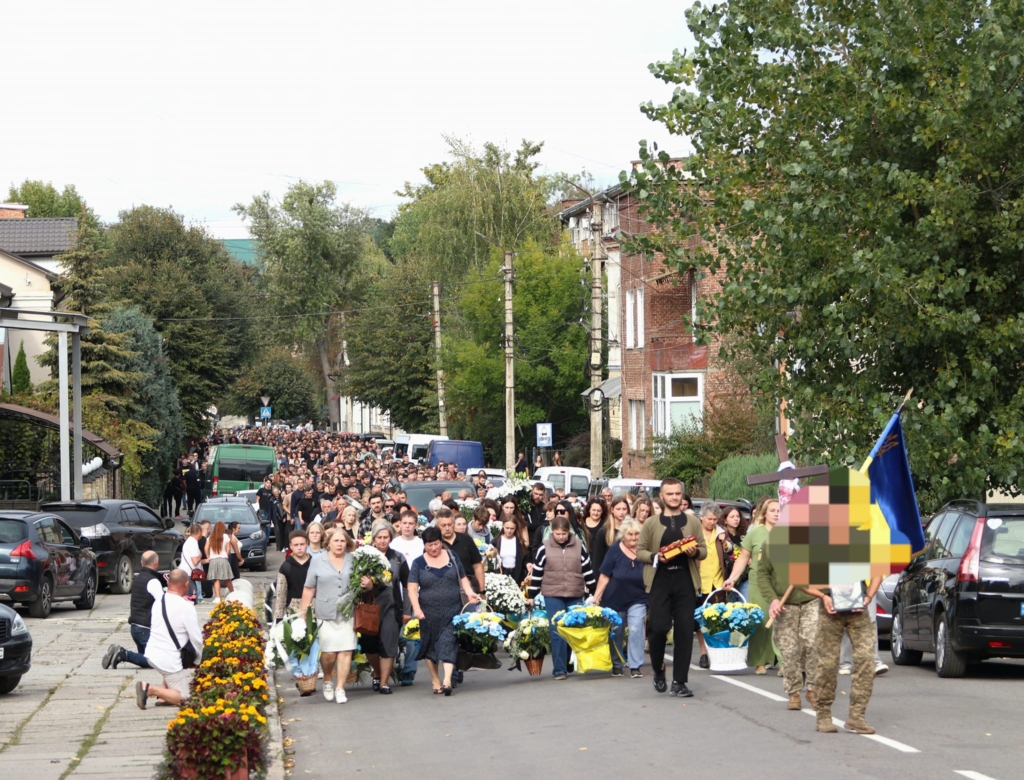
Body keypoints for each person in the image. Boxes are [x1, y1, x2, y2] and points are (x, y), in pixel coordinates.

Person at [636, 477, 706, 697]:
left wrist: (694, 552)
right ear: (662, 496)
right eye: (670, 494)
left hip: (685, 580)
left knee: (685, 631)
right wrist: (656, 557)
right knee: (657, 629)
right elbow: (640, 552)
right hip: (659, 581)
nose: (675, 497)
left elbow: (703, 550)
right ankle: (658, 669)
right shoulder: (651, 523)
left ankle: (679, 681)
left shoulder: (693, 521)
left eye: (678, 494)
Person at [805, 575, 883, 734]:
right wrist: (823, 595)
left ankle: (857, 716)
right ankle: (824, 714)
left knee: (866, 660)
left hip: (858, 611)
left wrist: (868, 597)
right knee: (827, 664)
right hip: (830, 610)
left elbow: (877, 573)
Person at [408, 526, 480, 695]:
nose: (433, 548)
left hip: (452, 610)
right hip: (427, 613)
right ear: (424, 545)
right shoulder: (418, 563)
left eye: (436, 543)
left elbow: (462, 578)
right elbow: (411, 589)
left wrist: (470, 593)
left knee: (449, 642)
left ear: (441, 542)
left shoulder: (452, 557)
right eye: (429, 545)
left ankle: (447, 680)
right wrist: (417, 609)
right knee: (430, 647)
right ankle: (435, 680)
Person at [526, 513, 597, 680]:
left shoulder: (579, 546)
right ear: (552, 532)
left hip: (575, 593)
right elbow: (537, 573)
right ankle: (559, 669)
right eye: (557, 534)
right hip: (552, 594)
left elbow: (587, 570)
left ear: (569, 532)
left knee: (572, 630)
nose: (561, 537)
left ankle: (568, 661)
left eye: (564, 534)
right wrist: (531, 595)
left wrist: (594, 591)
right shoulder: (544, 548)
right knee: (557, 631)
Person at [758, 525, 821, 712]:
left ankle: (813, 688)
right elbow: (762, 574)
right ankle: (793, 692)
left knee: (812, 642)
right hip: (785, 604)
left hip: (812, 599)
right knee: (790, 649)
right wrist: (773, 599)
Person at [300, 527, 363, 704]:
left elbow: (361, 582)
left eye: (343, 541)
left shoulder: (354, 559)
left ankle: (340, 688)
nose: (339, 544)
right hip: (325, 613)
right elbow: (309, 587)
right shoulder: (318, 560)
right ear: (328, 543)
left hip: (348, 612)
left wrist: (367, 584)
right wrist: (304, 612)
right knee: (329, 653)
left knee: (346, 650)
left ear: (347, 543)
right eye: (336, 541)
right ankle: (328, 679)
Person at [724, 498, 779, 674]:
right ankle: (760, 662)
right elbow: (743, 558)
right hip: (758, 583)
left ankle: (784, 662)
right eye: (773, 511)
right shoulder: (755, 533)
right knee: (762, 622)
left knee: (782, 623)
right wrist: (732, 578)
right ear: (764, 514)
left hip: (781, 583)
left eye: (779, 511)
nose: (777, 514)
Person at [136, 570, 202, 709]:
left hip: (151, 652)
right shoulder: (186, 607)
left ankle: (163, 697)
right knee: (185, 698)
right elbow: (196, 639)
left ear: (168, 583)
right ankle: (149, 689)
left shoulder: (159, 601)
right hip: (167, 658)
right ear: (186, 584)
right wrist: (197, 661)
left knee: (173, 672)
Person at [592, 519, 648, 678]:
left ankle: (635, 665)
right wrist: (596, 597)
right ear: (623, 535)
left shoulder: (644, 550)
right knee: (616, 632)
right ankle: (616, 663)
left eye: (637, 534)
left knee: (637, 628)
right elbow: (604, 575)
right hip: (614, 598)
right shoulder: (614, 550)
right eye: (630, 534)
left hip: (638, 597)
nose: (634, 537)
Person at [360, 521, 409, 695]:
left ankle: (384, 683)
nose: (382, 541)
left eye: (385, 537)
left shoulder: (397, 557)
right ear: (373, 539)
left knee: (389, 644)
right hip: (368, 606)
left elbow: (407, 585)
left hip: (391, 607)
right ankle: (378, 672)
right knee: (369, 646)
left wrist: (407, 611)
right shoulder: (364, 557)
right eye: (379, 537)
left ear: (391, 538)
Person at [103, 551, 162, 670]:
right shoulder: (153, 581)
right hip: (146, 629)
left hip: (135, 628)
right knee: (157, 661)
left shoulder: (138, 578)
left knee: (146, 658)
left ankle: (117, 653)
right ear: (157, 563)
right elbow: (163, 603)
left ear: (141, 563)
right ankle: (123, 654)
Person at [695, 503, 726, 669]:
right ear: (701, 518)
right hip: (700, 581)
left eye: (715, 519)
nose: (712, 522)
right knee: (702, 620)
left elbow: (730, 553)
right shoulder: (694, 533)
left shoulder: (721, 534)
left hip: (717, 582)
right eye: (709, 519)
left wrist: (726, 544)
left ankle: (715, 650)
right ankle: (703, 652)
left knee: (717, 619)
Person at [435, 508, 484, 592]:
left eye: (450, 524)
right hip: (445, 590)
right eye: (443, 525)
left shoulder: (466, 539)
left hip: (469, 587)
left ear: (454, 523)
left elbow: (477, 566)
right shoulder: (434, 544)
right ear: (437, 525)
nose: (447, 528)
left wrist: (482, 590)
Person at [274, 531, 312, 620]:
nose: (299, 548)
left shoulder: (315, 564)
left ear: (307, 544)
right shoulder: (286, 567)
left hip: (314, 610)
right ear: (291, 546)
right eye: (296, 545)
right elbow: (281, 595)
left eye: (302, 544)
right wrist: (278, 619)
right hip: (293, 611)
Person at [591, 496, 630, 573]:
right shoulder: (603, 532)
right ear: (612, 510)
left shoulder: (632, 532)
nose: (621, 512)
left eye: (624, 509)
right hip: (609, 575)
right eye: (618, 509)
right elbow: (597, 561)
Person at [720, 506, 750, 599]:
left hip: (744, 577)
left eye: (737, 516)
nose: (736, 519)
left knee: (745, 603)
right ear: (725, 520)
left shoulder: (745, 535)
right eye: (732, 517)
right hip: (728, 576)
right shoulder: (721, 535)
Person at [205, 521, 235, 604]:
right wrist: (226, 554)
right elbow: (228, 549)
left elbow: (206, 548)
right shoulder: (226, 536)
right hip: (223, 559)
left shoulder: (210, 537)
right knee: (227, 578)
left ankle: (217, 597)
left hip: (213, 560)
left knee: (216, 579)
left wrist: (208, 556)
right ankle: (233, 593)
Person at [496, 516, 531, 583]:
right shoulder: (496, 542)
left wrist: (527, 564)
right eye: (507, 528)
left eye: (512, 528)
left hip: (516, 574)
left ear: (516, 528)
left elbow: (524, 558)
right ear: (503, 526)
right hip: (501, 574)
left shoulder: (520, 542)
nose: (509, 531)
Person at [177, 524, 204, 603]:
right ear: (199, 532)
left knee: (190, 597)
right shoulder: (193, 543)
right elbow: (195, 561)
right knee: (192, 598)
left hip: (187, 572)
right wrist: (200, 556)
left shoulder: (189, 541)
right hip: (190, 573)